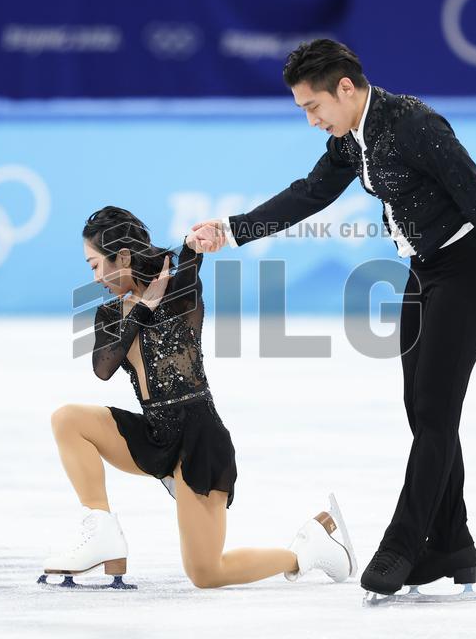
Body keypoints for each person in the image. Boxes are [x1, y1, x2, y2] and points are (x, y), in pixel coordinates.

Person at [189, 39, 476, 598]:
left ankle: (404, 546)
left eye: (313, 107)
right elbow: (309, 195)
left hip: (471, 268)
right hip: (423, 270)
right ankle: (453, 546)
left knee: (434, 410)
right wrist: (233, 230)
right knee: (423, 411)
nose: (311, 121)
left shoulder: (413, 124)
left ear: (346, 89)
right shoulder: (350, 140)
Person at [41, 205, 356, 589]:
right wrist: (143, 308)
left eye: (94, 265)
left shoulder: (179, 291)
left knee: (206, 573)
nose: (93, 276)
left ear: (121, 257)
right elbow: (102, 368)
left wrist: (192, 247)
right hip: (153, 435)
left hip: (198, 440)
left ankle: (308, 551)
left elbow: (189, 261)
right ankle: (100, 526)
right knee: (67, 419)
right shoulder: (111, 314)